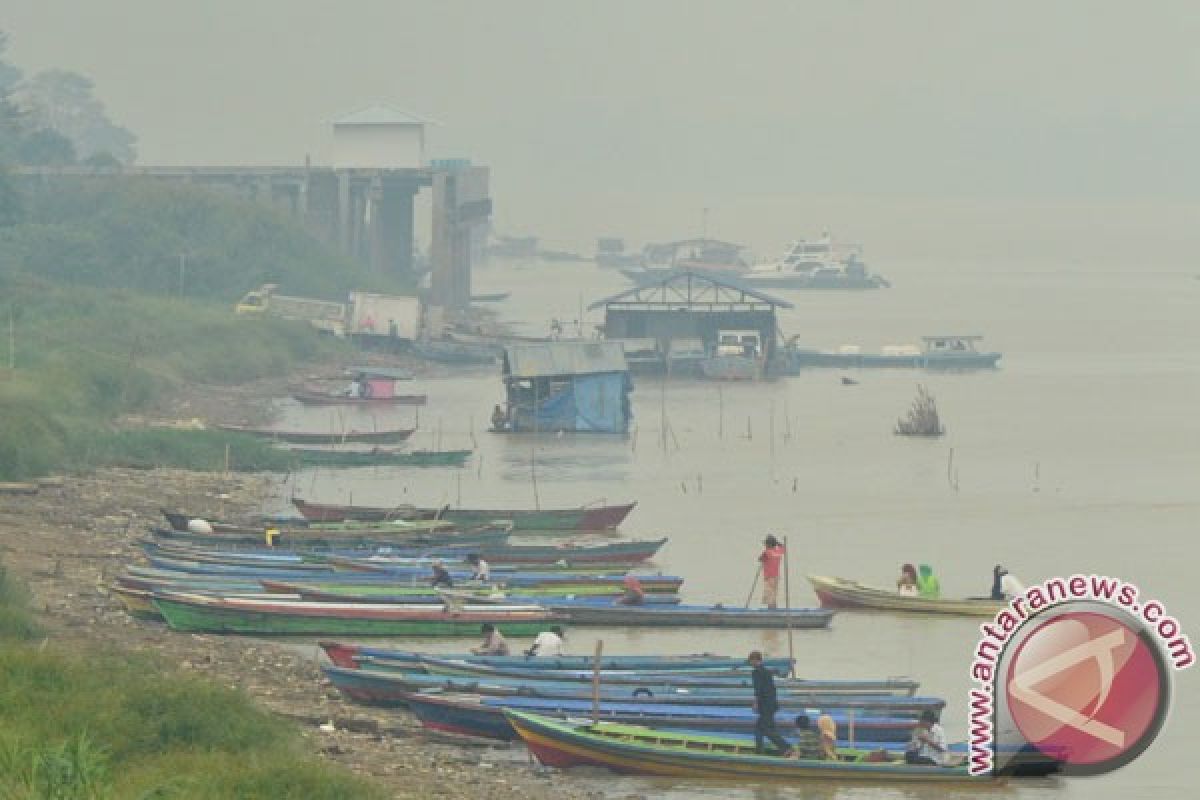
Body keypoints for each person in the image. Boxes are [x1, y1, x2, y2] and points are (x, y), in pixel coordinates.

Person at [748, 650, 793, 757]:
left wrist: (755, 703)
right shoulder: (767, 672)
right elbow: (772, 690)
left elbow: (758, 689)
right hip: (772, 704)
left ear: (755, 660)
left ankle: (786, 747)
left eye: (751, 661)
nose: (750, 663)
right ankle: (759, 750)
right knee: (760, 728)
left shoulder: (756, 672)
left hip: (765, 705)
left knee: (766, 729)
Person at [758, 535, 786, 609]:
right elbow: (783, 547)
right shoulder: (779, 551)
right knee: (773, 595)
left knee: (769, 596)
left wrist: (763, 557)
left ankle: (770, 611)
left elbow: (760, 559)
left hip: (769, 577)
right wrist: (777, 543)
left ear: (769, 545)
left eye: (766, 544)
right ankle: (774, 610)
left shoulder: (767, 552)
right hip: (776, 577)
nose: (765, 546)